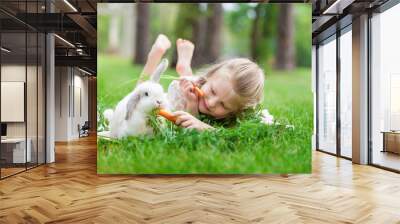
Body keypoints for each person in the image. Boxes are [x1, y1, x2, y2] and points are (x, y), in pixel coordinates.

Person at [140, 34, 265, 131]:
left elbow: (230, 136)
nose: (211, 103)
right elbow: (183, 126)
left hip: (195, 89)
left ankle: (184, 68)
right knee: (141, 97)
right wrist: (191, 103)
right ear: (209, 76)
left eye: (223, 105)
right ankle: (154, 57)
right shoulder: (183, 93)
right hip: (185, 93)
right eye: (212, 91)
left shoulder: (243, 116)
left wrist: (203, 125)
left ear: (235, 111)